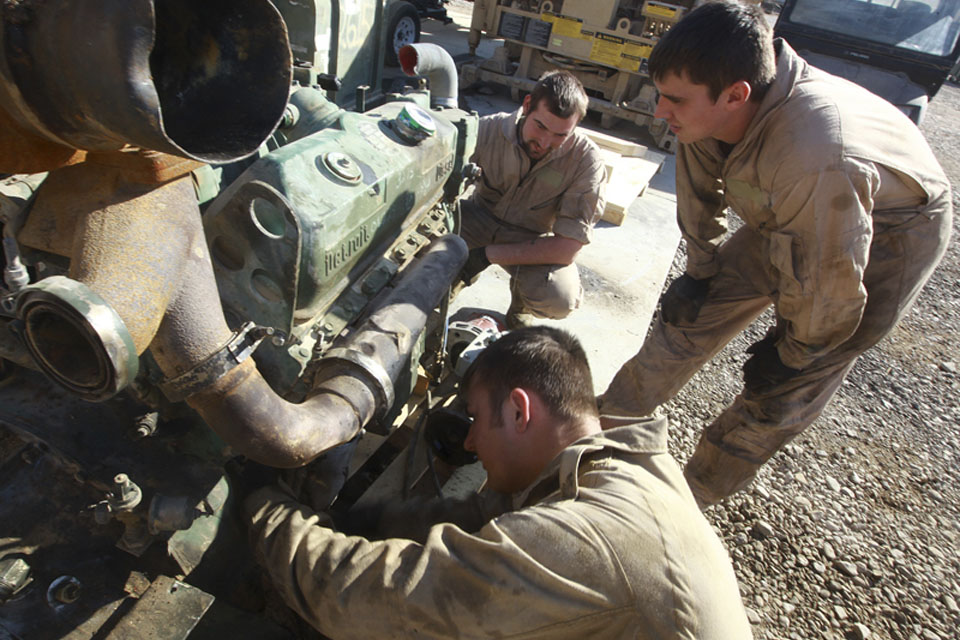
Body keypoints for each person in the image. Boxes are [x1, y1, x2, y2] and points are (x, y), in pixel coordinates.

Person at [598, 1, 953, 507]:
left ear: (736, 95)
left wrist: (796, 352)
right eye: (660, 94)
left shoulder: (816, 156)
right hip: (795, 209)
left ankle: (680, 507)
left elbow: (829, 282)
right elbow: (700, 191)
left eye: (673, 99)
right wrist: (699, 272)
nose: (659, 111)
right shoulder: (707, 110)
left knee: (780, 393)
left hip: (894, 231)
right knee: (687, 320)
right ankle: (601, 430)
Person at [245, 326, 752, 639]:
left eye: (475, 419)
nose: (469, 444)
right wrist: (362, 521)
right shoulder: (628, 469)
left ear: (518, 409)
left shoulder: (581, 541)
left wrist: (267, 507)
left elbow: (372, 599)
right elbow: (489, 513)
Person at [459, 70, 607, 328]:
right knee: (422, 257)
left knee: (559, 298)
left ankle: (521, 310)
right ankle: (440, 293)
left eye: (560, 135)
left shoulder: (586, 162)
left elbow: (566, 249)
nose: (545, 142)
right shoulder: (487, 129)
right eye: (540, 126)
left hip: (530, 236)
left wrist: (486, 255)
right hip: (476, 218)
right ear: (527, 106)